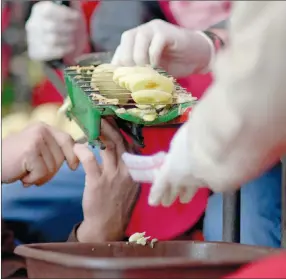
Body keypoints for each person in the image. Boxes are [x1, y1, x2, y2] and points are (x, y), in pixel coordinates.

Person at [2, 0, 281, 247]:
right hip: (136, 154)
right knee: (11, 204)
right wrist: (75, 54)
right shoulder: (119, 11)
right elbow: (114, 79)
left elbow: (270, 51)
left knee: (242, 244)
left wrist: (214, 44)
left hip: (250, 145)